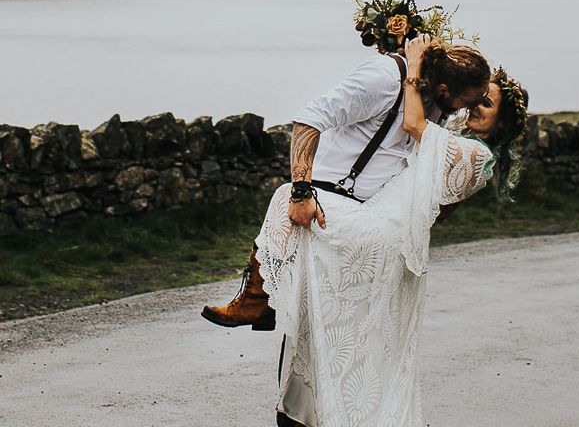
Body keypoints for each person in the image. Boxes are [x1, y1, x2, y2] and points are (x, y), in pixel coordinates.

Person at [257, 34, 529, 426]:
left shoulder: (474, 156)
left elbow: (412, 121)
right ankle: (305, 399)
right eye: (476, 98)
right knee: (344, 335)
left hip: (377, 238)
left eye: (484, 104)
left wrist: (414, 67)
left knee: (291, 199)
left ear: (500, 125)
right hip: (384, 238)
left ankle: (258, 300)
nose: (472, 107)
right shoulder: (452, 138)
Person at [201, 40, 492, 329]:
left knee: (340, 325)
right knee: (284, 198)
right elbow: (309, 119)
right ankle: (257, 301)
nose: (468, 110)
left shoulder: (434, 99)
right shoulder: (385, 78)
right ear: (444, 89)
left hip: (375, 218)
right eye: (467, 102)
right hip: (333, 197)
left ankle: (259, 304)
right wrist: (301, 192)